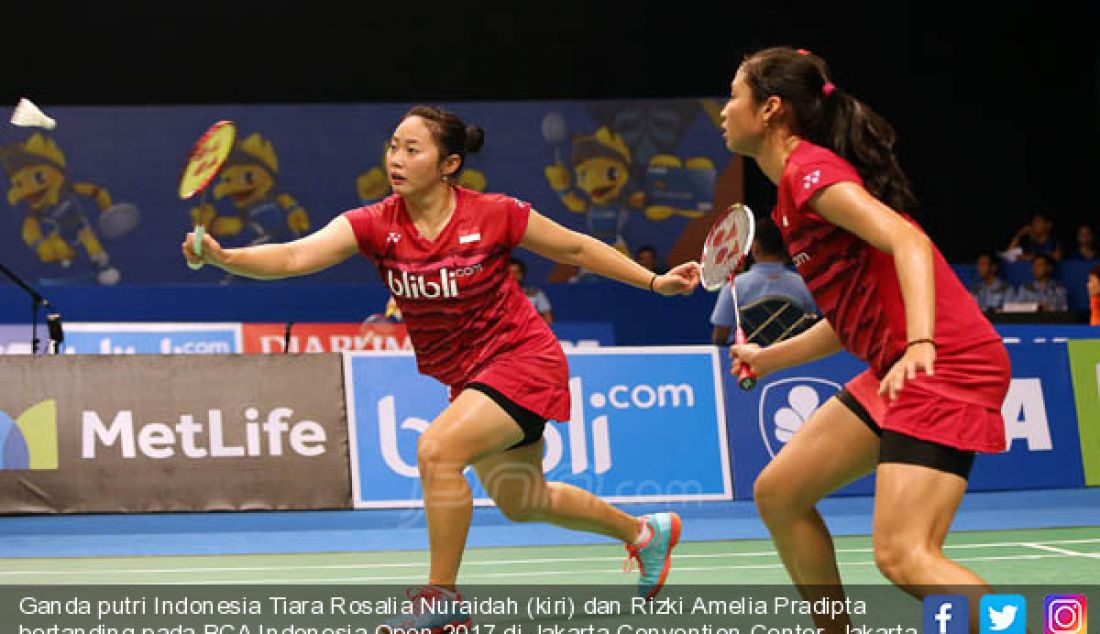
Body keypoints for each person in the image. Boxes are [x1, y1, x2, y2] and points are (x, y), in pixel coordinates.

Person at [182, 105, 698, 629]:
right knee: (524, 500)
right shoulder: (376, 224)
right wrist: (226, 258)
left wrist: (654, 282)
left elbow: (577, 247)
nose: (396, 159)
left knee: (436, 450)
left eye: (412, 149)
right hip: (471, 377)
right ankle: (643, 532)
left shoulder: (494, 213)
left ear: (449, 163)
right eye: (392, 147)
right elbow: (294, 257)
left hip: (522, 358)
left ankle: (442, 601)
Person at [719, 47, 1011, 632]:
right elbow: (847, 316)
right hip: (895, 367)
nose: (724, 111)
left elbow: (909, 242)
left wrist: (922, 342)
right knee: (780, 493)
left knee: (904, 556)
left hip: (942, 363)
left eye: (734, 95)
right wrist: (768, 357)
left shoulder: (810, 172)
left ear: (771, 108)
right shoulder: (791, 194)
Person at [710, 215, 816, 345]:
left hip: (747, 361)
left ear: (755, 247)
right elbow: (813, 328)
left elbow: (720, 337)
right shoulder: (804, 285)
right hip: (795, 360)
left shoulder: (734, 287)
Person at [509, 256, 553, 324]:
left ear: (522, 274)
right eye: (510, 273)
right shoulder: (495, 295)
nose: (514, 276)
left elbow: (548, 318)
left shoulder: (535, 293)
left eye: (517, 272)